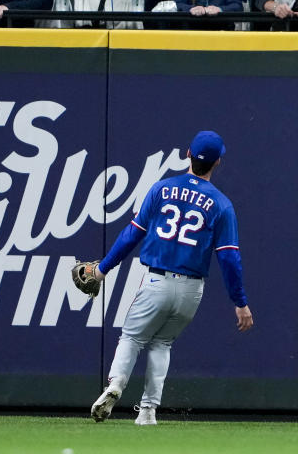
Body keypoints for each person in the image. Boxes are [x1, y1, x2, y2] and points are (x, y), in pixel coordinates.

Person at [88, 130, 253, 425]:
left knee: (132, 337)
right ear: (217, 163)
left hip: (157, 281)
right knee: (162, 343)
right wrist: (240, 303)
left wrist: (101, 270)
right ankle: (149, 410)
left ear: (188, 154)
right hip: (191, 291)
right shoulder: (222, 204)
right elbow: (228, 257)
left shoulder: (161, 189)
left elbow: (131, 235)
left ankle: (115, 385)